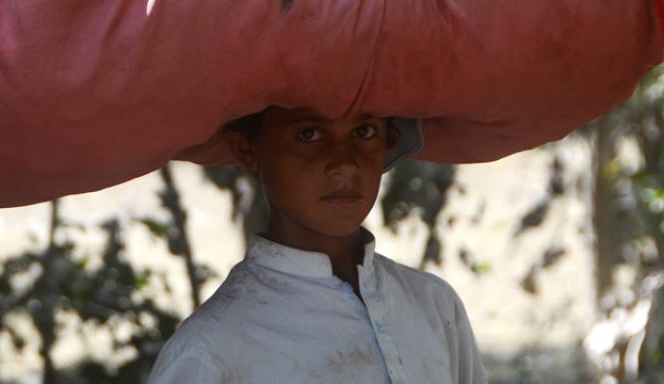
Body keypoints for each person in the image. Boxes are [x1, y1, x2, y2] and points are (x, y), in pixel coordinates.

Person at [148, 106, 487, 383]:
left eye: (364, 132)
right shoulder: (210, 354)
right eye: (308, 134)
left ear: (389, 141)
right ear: (247, 149)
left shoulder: (434, 306)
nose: (344, 163)